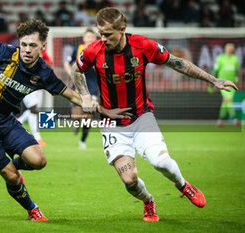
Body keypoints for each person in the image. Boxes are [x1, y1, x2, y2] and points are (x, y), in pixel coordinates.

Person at [0, 19, 129, 221]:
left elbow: (71, 94)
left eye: (33, 45)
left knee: (39, 161)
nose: (27, 50)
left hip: (6, 122)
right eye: (24, 44)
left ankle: (9, 164)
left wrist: (103, 110)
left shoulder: (43, 73)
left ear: (43, 46)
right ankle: (32, 209)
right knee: (12, 176)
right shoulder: (2, 52)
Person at [71, 7, 238, 222]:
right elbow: (77, 70)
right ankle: (148, 202)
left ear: (122, 29)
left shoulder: (143, 45)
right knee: (129, 180)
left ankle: (183, 185)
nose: (102, 38)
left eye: (107, 34)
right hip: (112, 125)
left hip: (142, 118)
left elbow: (178, 64)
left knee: (161, 163)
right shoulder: (94, 50)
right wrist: (85, 95)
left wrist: (213, 80)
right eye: (100, 33)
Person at [64, 28, 98, 150]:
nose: (89, 39)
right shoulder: (77, 49)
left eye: (92, 37)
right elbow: (67, 63)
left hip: (92, 88)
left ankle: (82, 141)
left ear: (95, 39)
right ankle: (76, 124)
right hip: (78, 87)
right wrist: (71, 74)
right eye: (87, 37)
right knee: (76, 117)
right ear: (84, 38)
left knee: (88, 116)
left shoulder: (99, 50)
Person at [18, 50, 53, 147]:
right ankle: (37, 138)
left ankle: (17, 123)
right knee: (34, 109)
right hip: (27, 84)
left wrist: (41, 60)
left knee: (34, 110)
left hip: (39, 87)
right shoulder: (26, 50)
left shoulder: (43, 52)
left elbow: (49, 65)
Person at [212, 43, 240, 127]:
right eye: (228, 48)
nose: (229, 50)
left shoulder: (235, 59)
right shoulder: (220, 58)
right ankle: (235, 119)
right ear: (225, 49)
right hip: (222, 83)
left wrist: (236, 77)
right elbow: (215, 71)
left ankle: (220, 120)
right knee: (229, 100)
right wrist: (212, 82)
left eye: (231, 48)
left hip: (232, 83)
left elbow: (236, 71)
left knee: (225, 102)